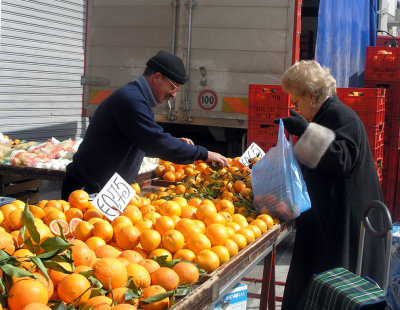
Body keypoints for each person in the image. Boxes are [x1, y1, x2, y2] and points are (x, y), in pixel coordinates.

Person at [273, 60, 386, 309]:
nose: (296, 107)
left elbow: (341, 159)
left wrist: (305, 131)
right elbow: (314, 161)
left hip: (343, 223)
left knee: (332, 289)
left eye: (297, 100)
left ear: (312, 97)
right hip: (326, 219)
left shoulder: (340, 115)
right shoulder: (325, 115)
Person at [62, 50, 228, 200]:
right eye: (173, 87)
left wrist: (176, 141)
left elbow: (144, 139)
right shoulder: (131, 101)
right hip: (85, 192)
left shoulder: (137, 98)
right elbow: (155, 142)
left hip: (105, 189)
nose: (174, 95)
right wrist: (203, 154)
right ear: (157, 78)